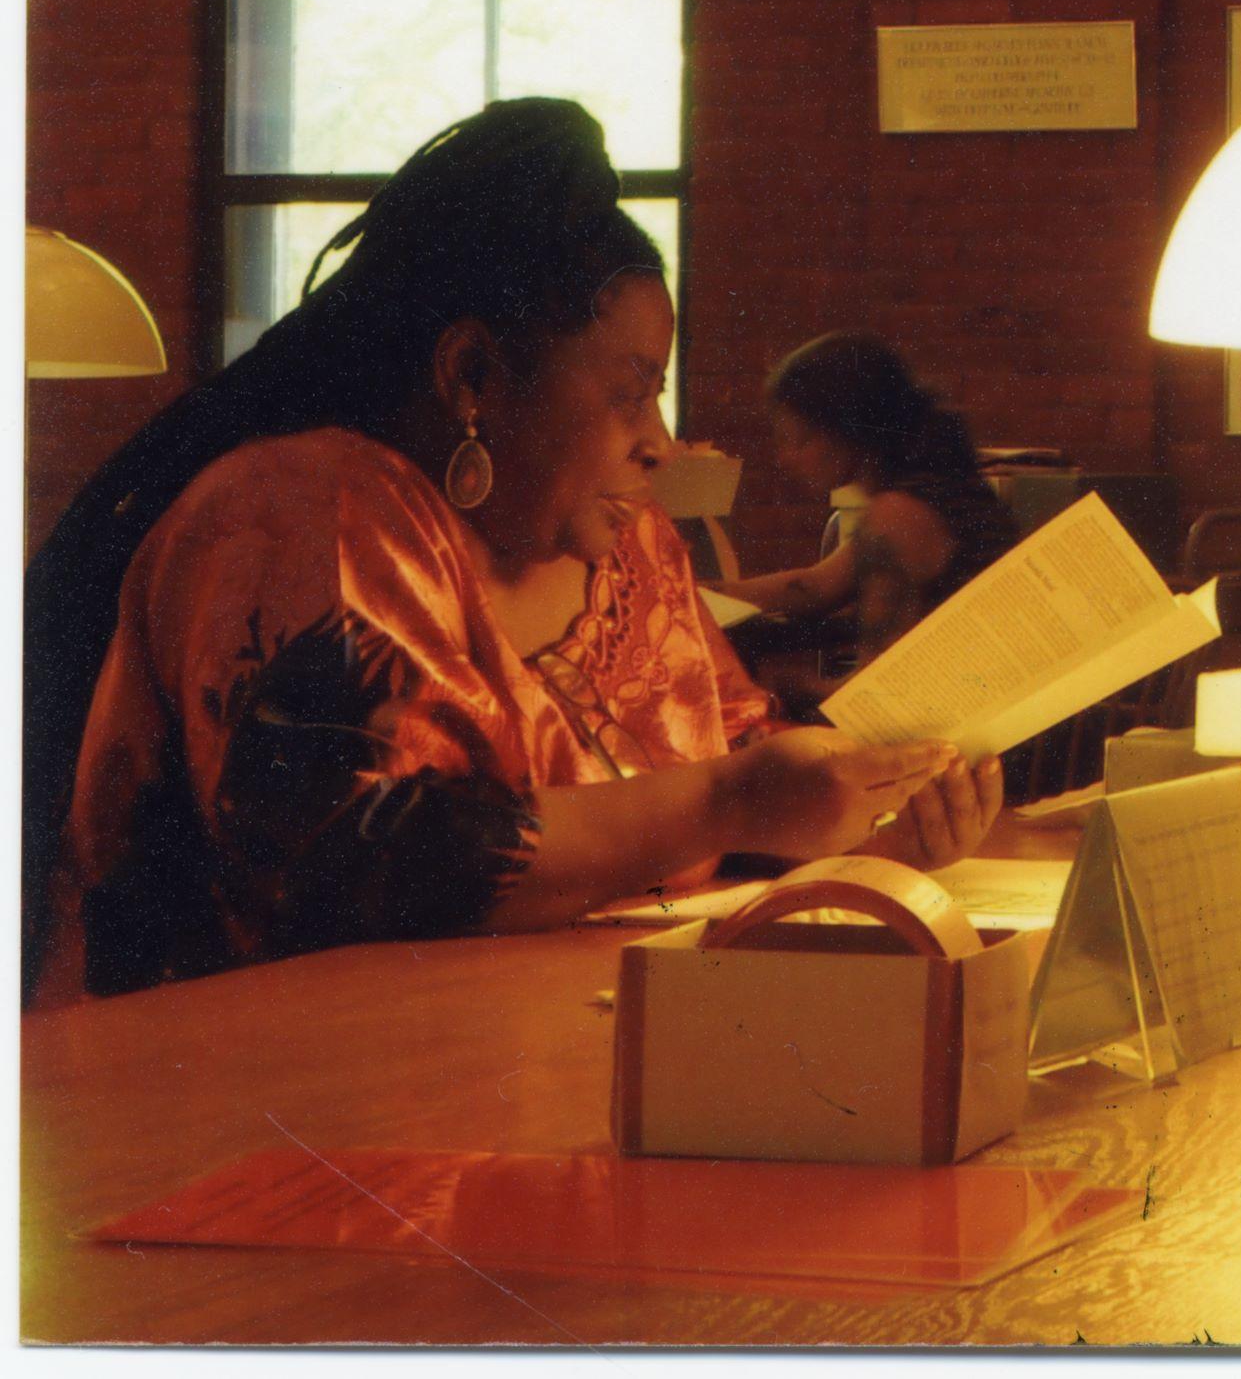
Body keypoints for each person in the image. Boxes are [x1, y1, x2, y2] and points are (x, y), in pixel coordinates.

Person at [28, 100, 1003, 1000]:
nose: (658, 437)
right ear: (473, 375)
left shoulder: (630, 545)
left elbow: (742, 761)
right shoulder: (303, 513)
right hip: (285, 1117)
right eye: (629, 391)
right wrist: (730, 801)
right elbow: (355, 864)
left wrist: (864, 820)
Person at [718, 332, 1024, 663]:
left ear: (850, 429)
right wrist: (688, 593)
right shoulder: (933, 490)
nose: (786, 458)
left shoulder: (898, 516)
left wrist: (779, 685)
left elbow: (880, 692)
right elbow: (816, 586)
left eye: (800, 439)